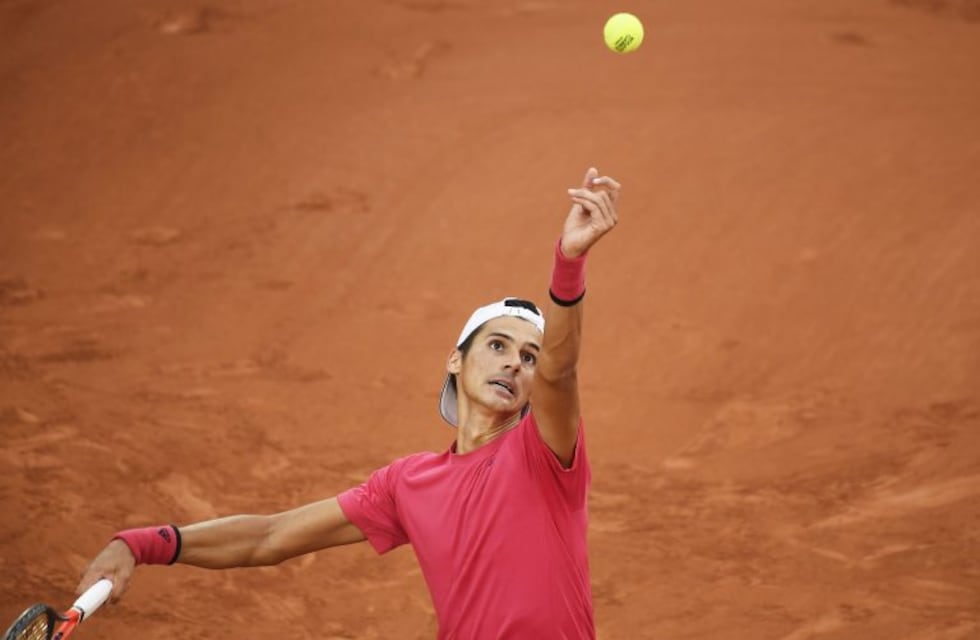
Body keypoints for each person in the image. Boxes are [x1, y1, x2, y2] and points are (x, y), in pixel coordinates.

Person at [77, 166, 621, 639]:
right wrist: (142, 544)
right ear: (456, 360)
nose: (513, 363)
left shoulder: (543, 455)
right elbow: (271, 536)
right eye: (497, 346)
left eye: (528, 357)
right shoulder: (407, 484)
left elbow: (561, 370)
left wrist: (567, 264)